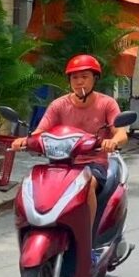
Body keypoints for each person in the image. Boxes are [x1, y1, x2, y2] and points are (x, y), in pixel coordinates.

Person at [11, 54, 128, 190]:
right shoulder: (58, 105)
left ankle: (88, 212)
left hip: (93, 163)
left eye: (84, 77)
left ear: (95, 79)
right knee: (34, 185)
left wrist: (112, 142)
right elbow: (40, 132)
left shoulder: (107, 103)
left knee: (86, 184)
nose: (79, 82)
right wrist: (24, 141)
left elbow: (121, 134)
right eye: (74, 77)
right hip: (60, 162)